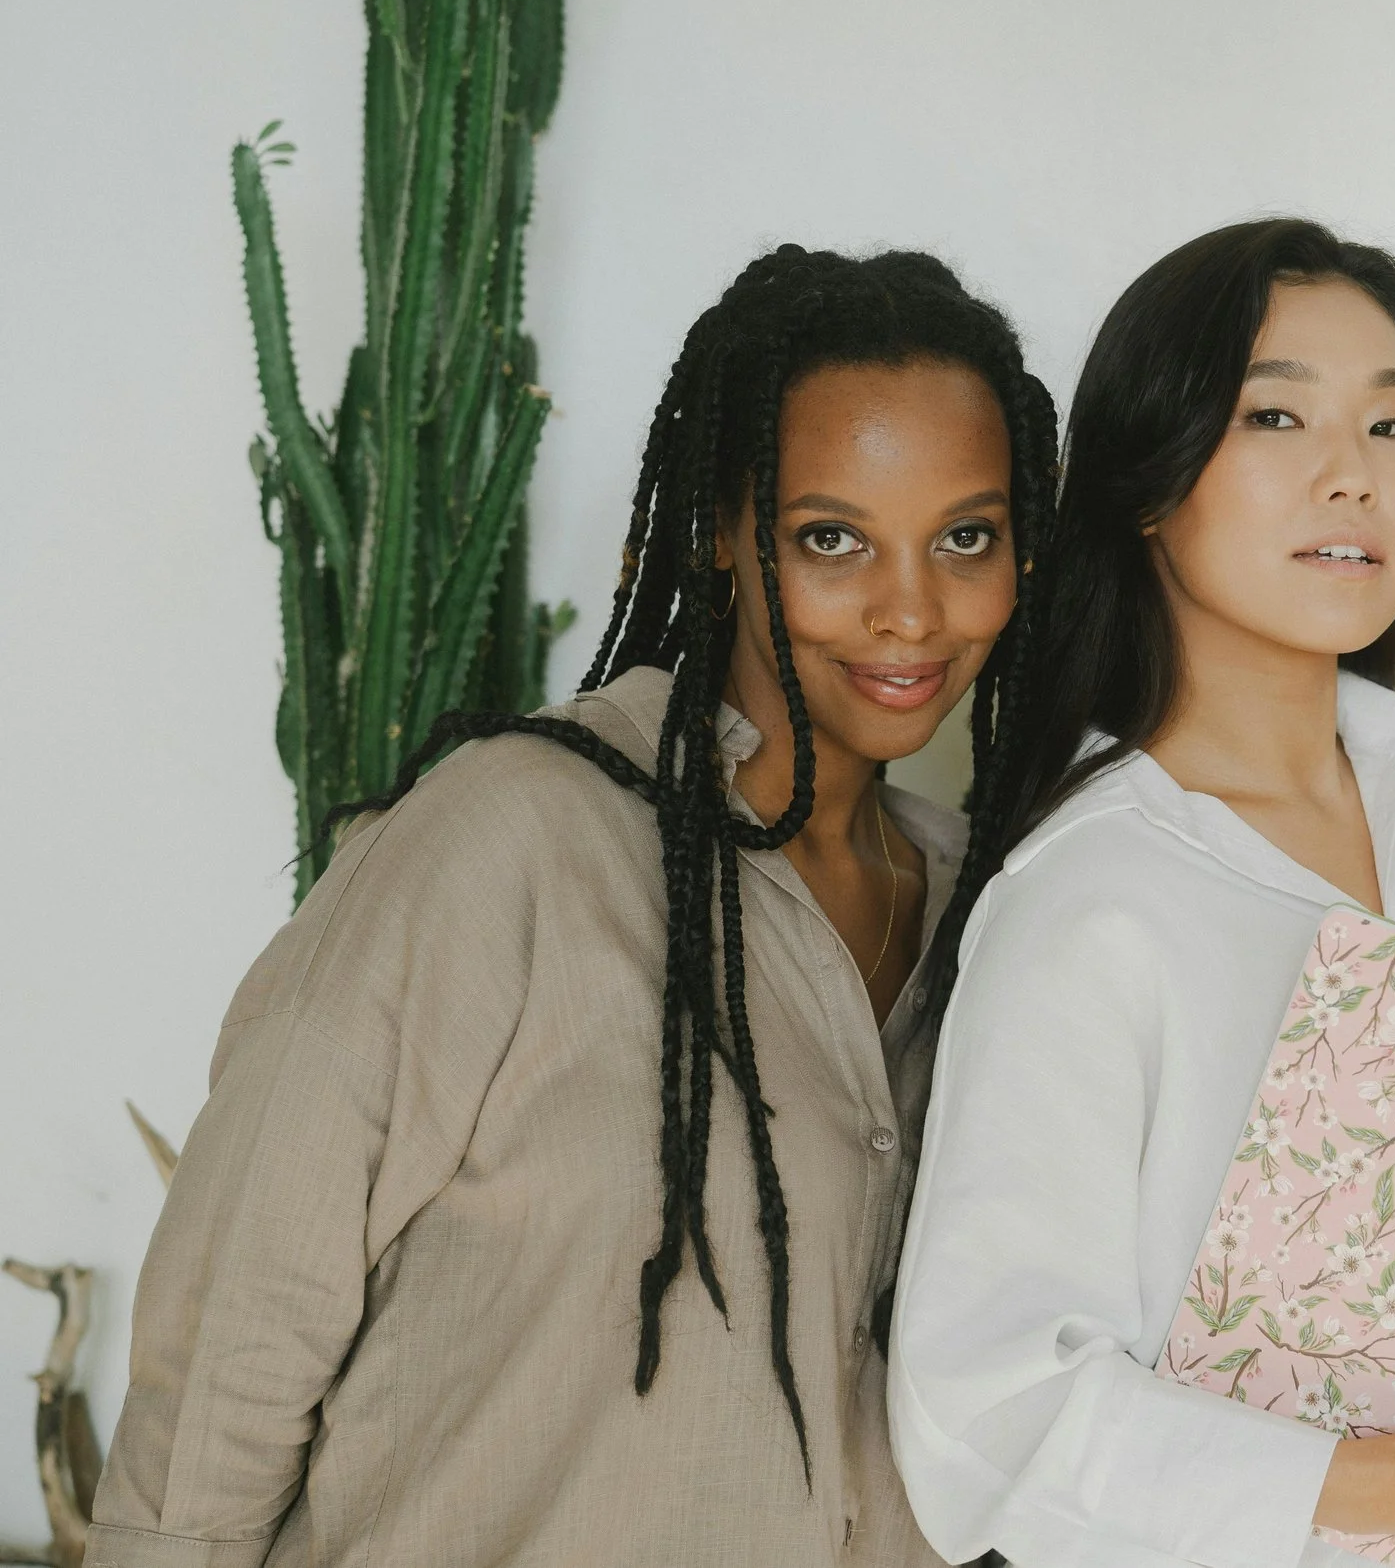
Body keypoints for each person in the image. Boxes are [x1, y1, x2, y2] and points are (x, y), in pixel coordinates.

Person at [89, 245, 1059, 1567]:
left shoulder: (991, 917)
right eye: (830, 538)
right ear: (720, 532)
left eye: (966, 538)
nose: (912, 611)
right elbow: (240, 1318)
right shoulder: (511, 840)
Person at [887, 218, 1395, 1568]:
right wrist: (1387, 1487)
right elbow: (987, 1411)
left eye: (1392, 424)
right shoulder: (1092, 894)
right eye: (1276, 416)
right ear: (1150, 483)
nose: (1352, 475)